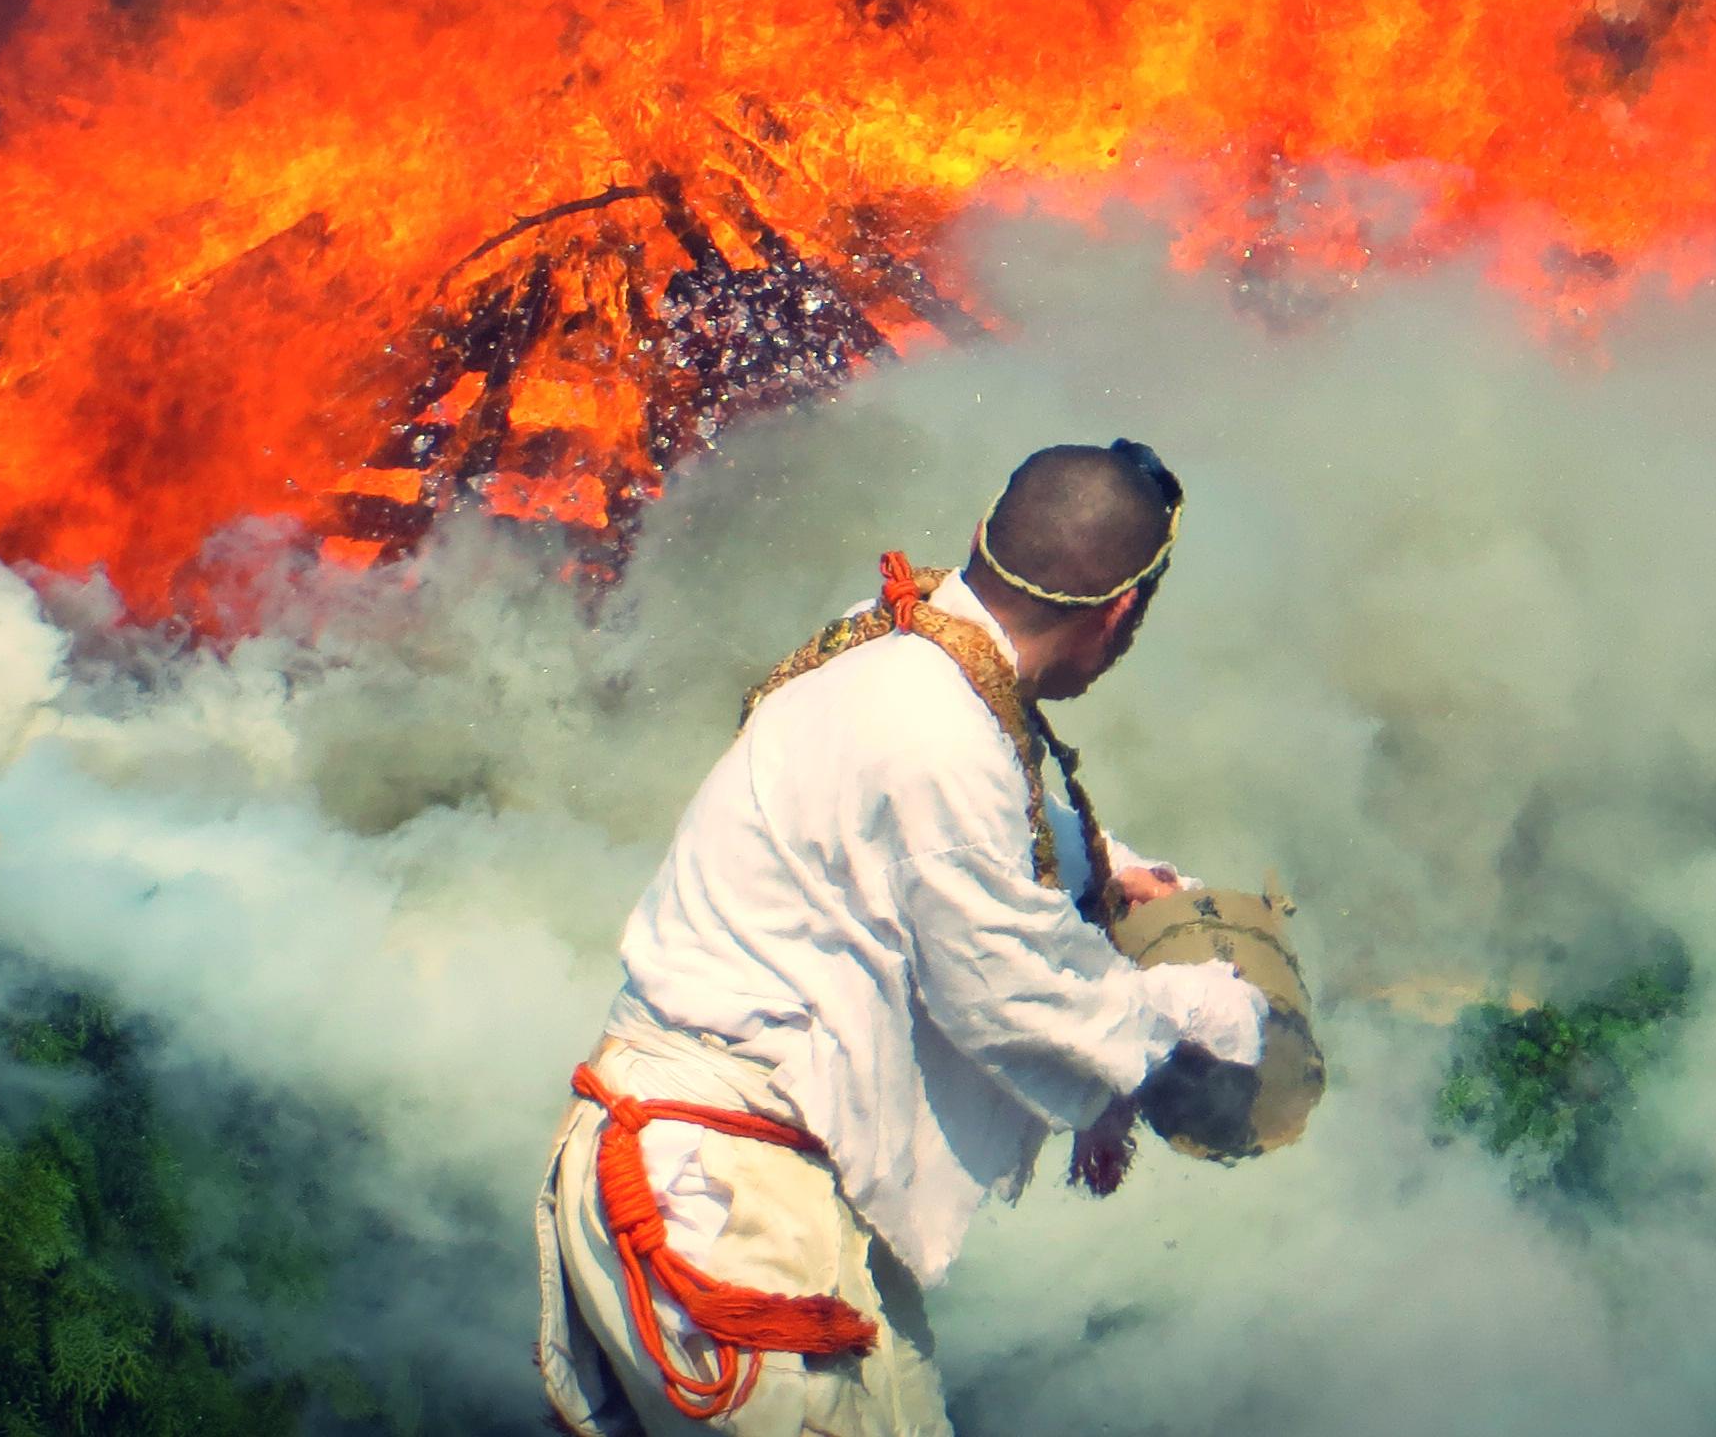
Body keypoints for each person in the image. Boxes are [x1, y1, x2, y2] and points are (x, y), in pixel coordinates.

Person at [534, 439, 1269, 1436]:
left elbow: (975, 828)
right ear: (1122, 613)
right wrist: (1186, 1052)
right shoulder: (939, 733)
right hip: (727, 1205)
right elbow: (1009, 988)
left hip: (720, 1181)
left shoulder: (887, 641)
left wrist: (1106, 870)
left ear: (979, 540)